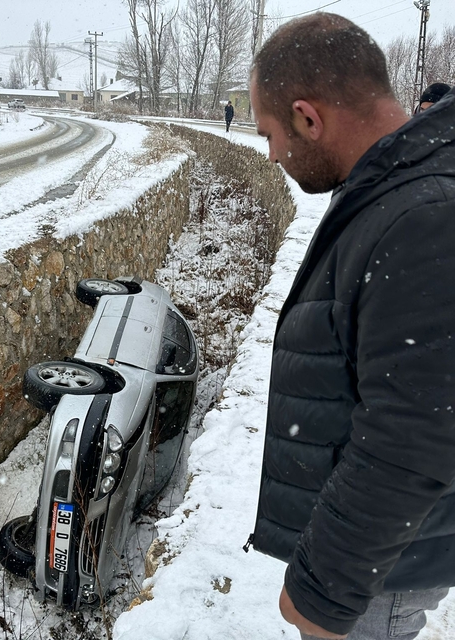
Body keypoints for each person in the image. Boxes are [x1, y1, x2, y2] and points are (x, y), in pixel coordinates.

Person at [245, 11, 455, 640]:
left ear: (310, 118)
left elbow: (414, 433)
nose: (273, 154)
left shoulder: (422, 217)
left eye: (272, 133)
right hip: (377, 555)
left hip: (379, 573)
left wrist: (323, 590)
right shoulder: (388, 189)